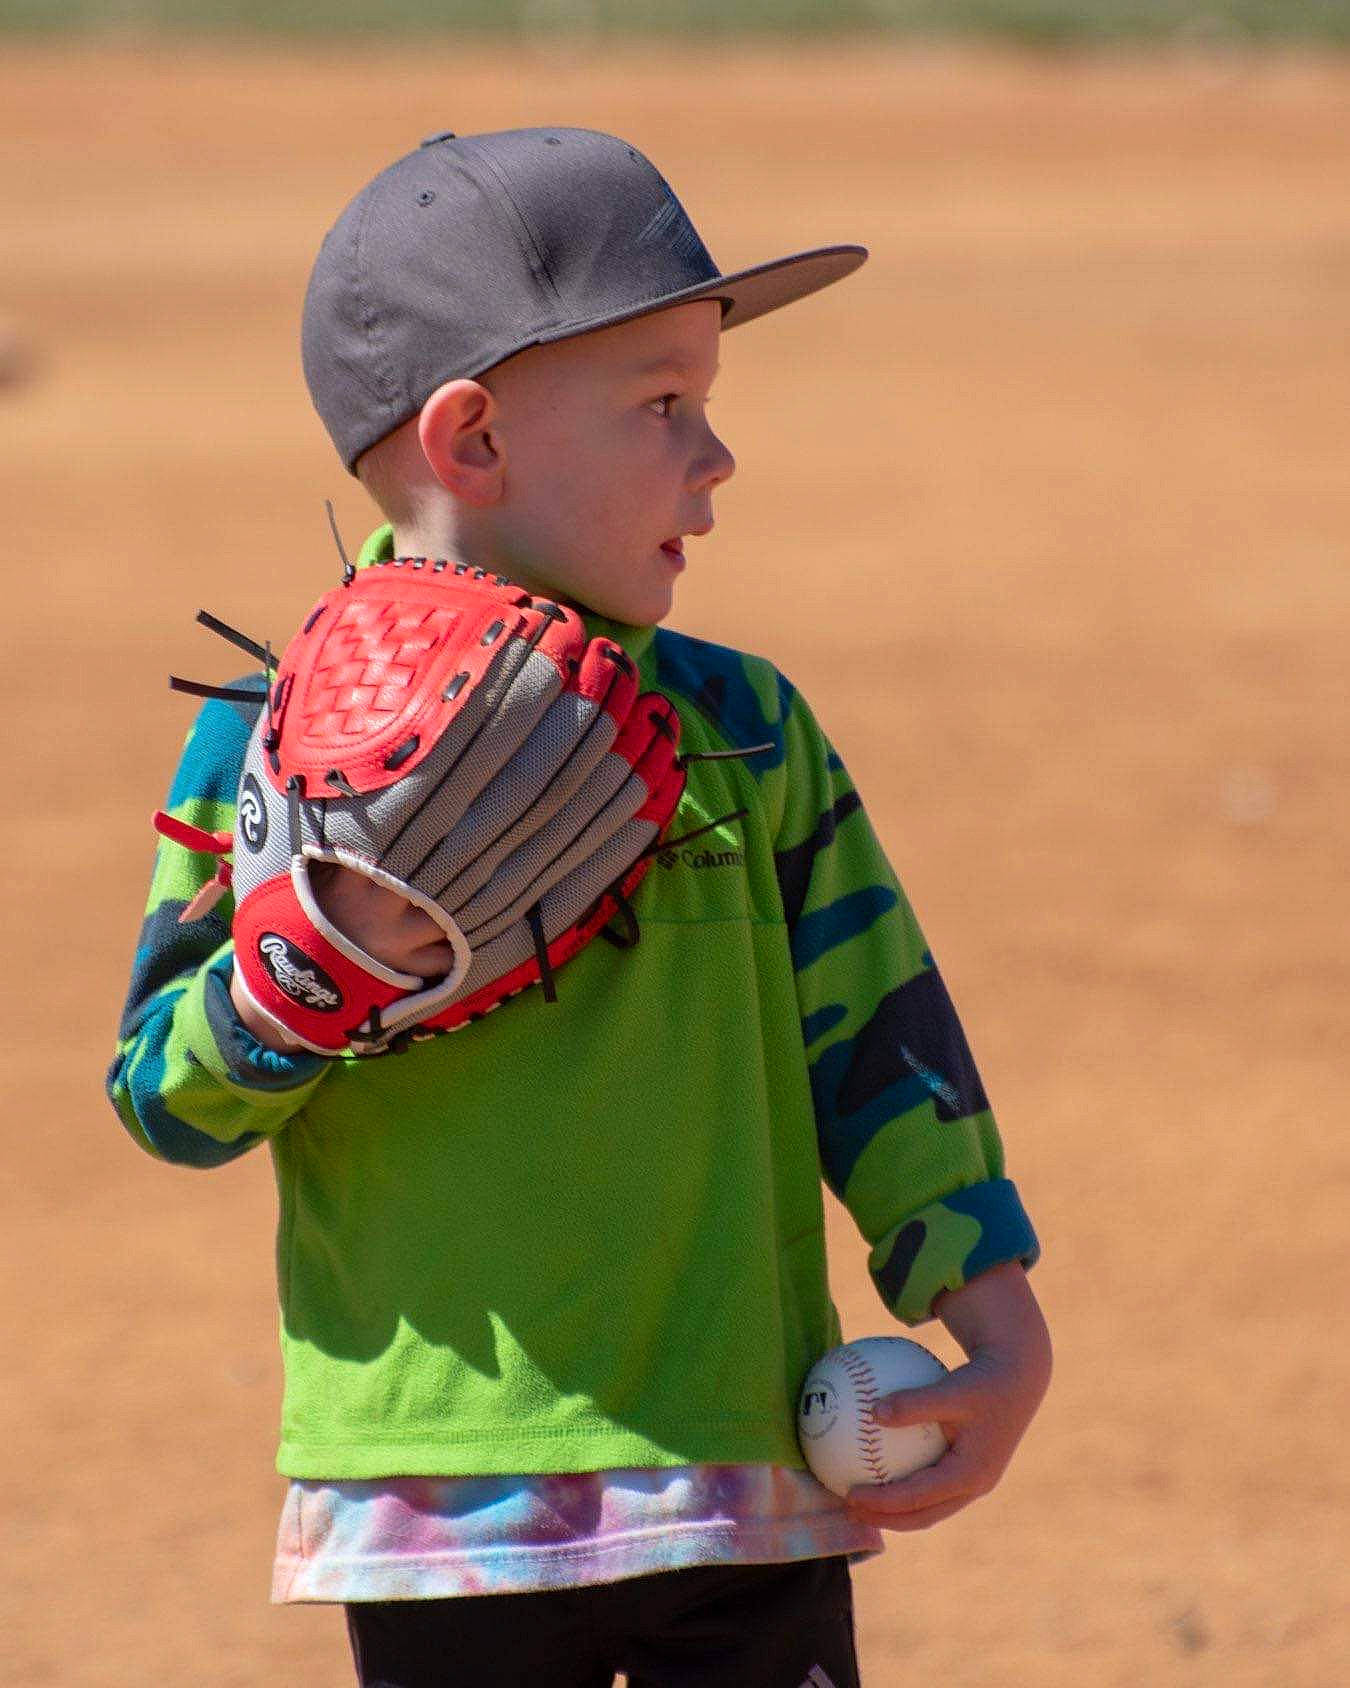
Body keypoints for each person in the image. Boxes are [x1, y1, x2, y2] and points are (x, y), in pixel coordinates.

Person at [109, 127, 1052, 1688]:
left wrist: (997, 1323)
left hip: (742, 1478)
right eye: (662, 404)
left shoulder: (740, 729)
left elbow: (884, 1052)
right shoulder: (268, 751)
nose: (716, 456)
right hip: (435, 1512)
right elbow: (165, 1099)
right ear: (470, 436)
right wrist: (294, 984)